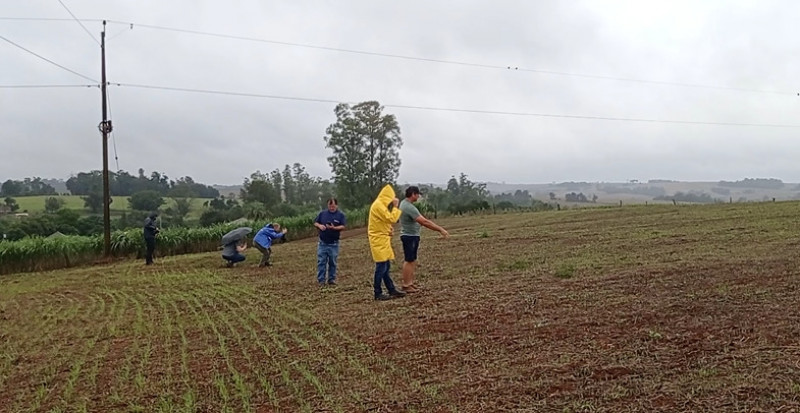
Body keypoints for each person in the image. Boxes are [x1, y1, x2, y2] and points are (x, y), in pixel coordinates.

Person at [399, 186, 449, 292]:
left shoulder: (405, 204)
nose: (418, 196)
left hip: (411, 236)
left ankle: (410, 283)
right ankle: (406, 285)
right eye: (417, 194)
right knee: (409, 260)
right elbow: (424, 222)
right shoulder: (408, 207)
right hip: (410, 236)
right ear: (413, 194)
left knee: (412, 260)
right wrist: (440, 229)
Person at [368, 184, 406, 301]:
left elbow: (384, 221)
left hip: (382, 238)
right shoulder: (378, 205)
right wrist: (395, 207)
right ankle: (377, 292)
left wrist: (389, 229)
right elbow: (391, 218)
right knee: (381, 266)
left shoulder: (380, 205)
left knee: (386, 266)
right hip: (378, 239)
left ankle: (391, 289)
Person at [314, 198, 346, 286]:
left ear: (336, 205)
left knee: (332, 262)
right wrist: (320, 226)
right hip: (322, 242)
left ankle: (331, 279)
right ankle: (321, 280)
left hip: (334, 243)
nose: (331, 208)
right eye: (329, 206)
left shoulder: (340, 215)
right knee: (321, 262)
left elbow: (343, 226)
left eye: (333, 206)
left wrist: (334, 228)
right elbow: (315, 223)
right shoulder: (322, 214)